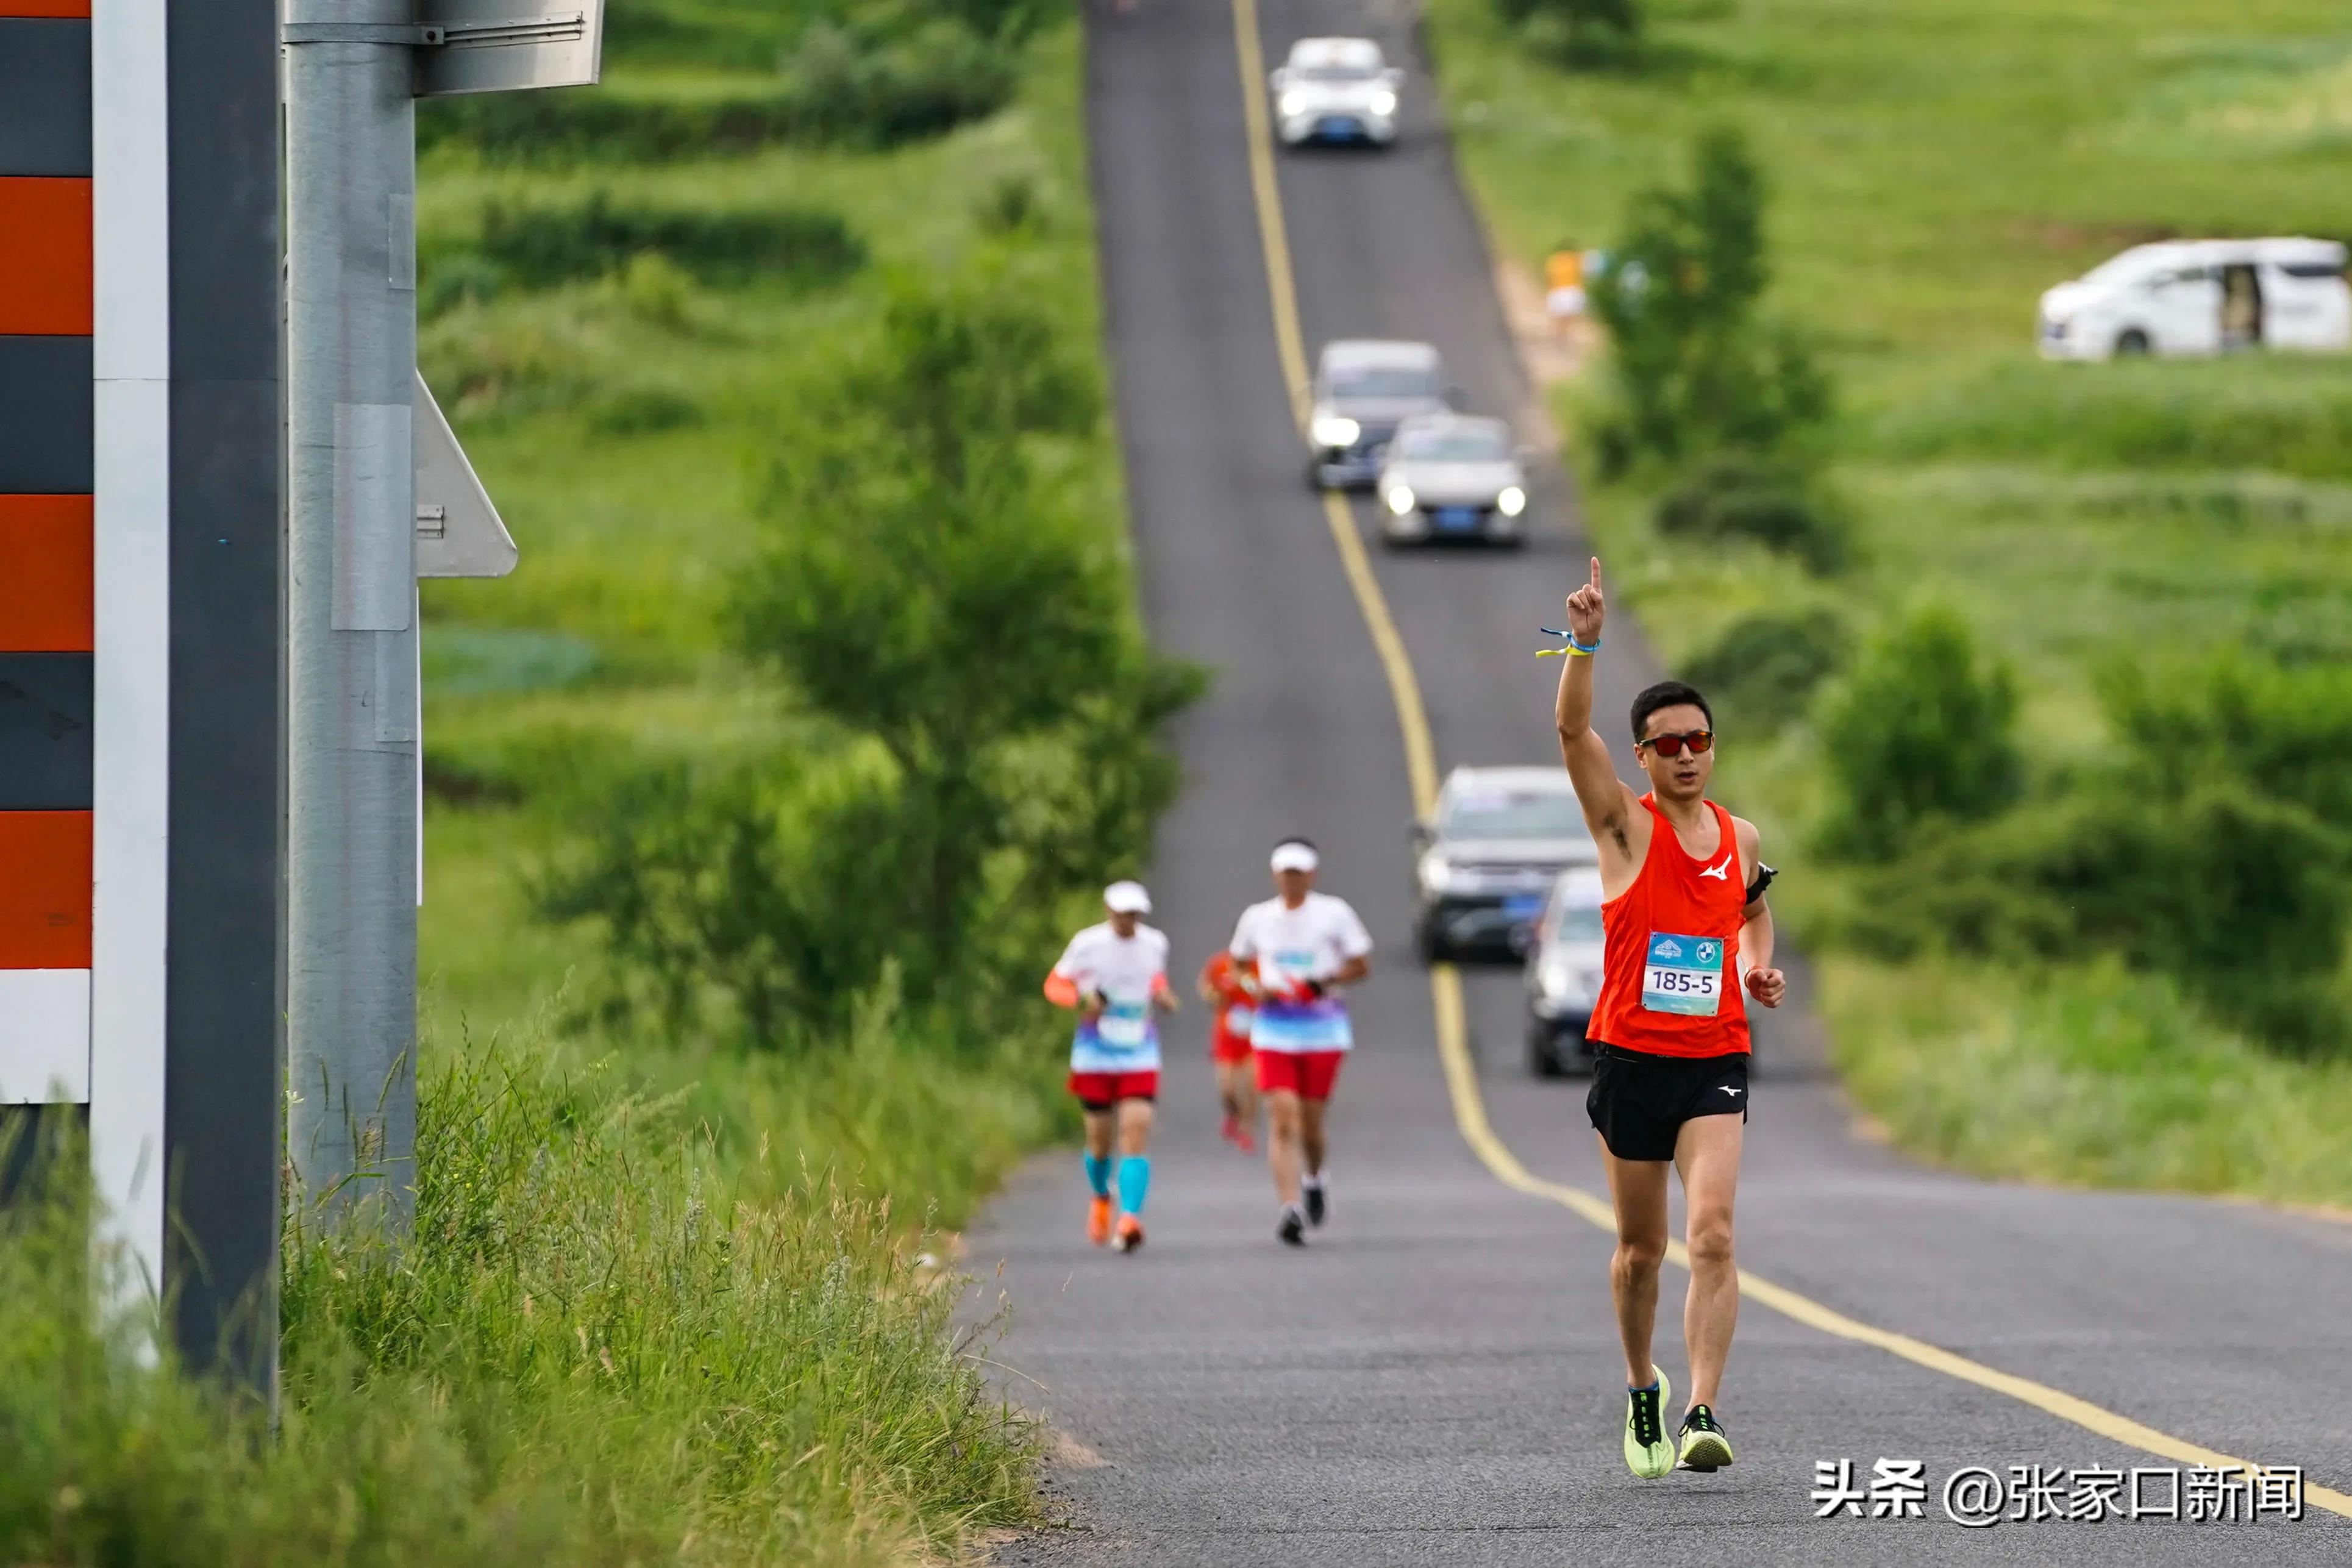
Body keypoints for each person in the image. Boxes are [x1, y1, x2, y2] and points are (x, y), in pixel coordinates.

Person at [1550, 557, 1784, 1479]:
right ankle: (1641, 1384)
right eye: (1667, 743)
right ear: (1642, 756)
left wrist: (1755, 967)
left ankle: (1701, 1410)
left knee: (1714, 1235)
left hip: (1712, 1058)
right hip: (1628, 1061)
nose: (1686, 754)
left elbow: (1753, 911)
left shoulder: (1740, 838)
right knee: (1640, 1252)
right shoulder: (1624, 830)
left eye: (1699, 739)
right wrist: (1585, 642)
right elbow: (1572, 730)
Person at [1228, 839, 1372, 1247]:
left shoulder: (1334, 913)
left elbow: (1362, 964)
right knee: (1283, 1116)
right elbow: (1237, 965)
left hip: (1322, 1029)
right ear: (1276, 875)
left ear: (1312, 875)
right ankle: (1289, 1208)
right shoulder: (1257, 918)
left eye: (1299, 872)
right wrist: (1256, 987)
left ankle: (1314, 1179)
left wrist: (1323, 981)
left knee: (1311, 1124)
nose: (1292, 880)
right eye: (1285, 873)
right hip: (1274, 1030)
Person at [1045, 881, 1179, 1253]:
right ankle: (1102, 1197)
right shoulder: (1087, 943)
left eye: (1133, 915)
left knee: (1136, 1131)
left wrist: (1162, 994)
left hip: (1140, 1050)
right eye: (1121, 915)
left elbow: (1154, 977)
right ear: (1108, 911)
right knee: (1099, 1141)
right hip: (1095, 1053)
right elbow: (1055, 984)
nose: (1127, 922)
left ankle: (1130, 1218)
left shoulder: (1155, 943)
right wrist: (1081, 999)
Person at [1198, 949, 1261, 1152]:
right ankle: (1233, 1115)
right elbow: (1205, 986)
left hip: (1255, 1036)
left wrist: (1243, 981)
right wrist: (1213, 996)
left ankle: (1247, 1130)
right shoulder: (1220, 964)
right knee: (1227, 1088)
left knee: (1251, 1086)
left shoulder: (1262, 965)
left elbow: (1263, 992)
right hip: (1227, 1036)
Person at [1544, 241, 1588, 337]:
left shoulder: (1554, 260)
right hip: (1571, 290)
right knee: (1569, 318)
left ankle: (1559, 334)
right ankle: (1566, 334)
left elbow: (1549, 277)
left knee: (1558, 318)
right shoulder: (1576, 259)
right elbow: (1582, 275)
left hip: (1558, 290)